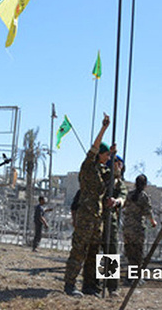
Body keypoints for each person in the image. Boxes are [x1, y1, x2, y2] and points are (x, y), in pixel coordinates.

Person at [63, 113, 112, 298]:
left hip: (99, 218)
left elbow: (113, 178)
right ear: (99, 154)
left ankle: (92, 286)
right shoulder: (88, 166)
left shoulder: (103, 171)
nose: (108, 158)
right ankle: (69, 284)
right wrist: (104, 128)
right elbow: (93, 148)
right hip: (86, 217)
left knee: (94, 253)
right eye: (106, 154)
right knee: (79, 250)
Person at [84, 154, 127, 296]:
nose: (119, 166)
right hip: (96, 219)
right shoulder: (101, 176)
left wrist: (116, 201)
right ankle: (91, 284)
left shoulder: (119, 182)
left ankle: (112, 287)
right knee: (93, 251)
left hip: (110, 220)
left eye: (120, 164)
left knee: (111, 252)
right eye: (116, 163)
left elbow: (123, 196)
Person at [123, 174, 157, 280]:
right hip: (137, 229)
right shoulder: (143, 196)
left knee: (129, 253)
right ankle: (135, 277)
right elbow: (148, 212)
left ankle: (129, 276)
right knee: (138, 254)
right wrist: (153, 222)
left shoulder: (129, 195)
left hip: (127, 228)